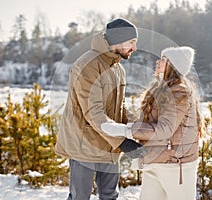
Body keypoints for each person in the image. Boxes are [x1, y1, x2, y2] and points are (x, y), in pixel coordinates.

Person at [55, 18, 146, 200]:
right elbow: (93, 111)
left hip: (109, 146)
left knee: (110, 195)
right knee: (80, 196)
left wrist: (138, 127)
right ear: (117, 42)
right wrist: (122, 142)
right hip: (84, 145)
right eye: (131, 42)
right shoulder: (87, 65)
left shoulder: (118, 68)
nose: (134, 48)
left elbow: (119, 106)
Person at [101, 46, 204, 200]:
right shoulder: (160, 89)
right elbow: (149, 123)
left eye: (163, 60)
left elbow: (165, 129)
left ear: (172, 65)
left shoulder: (179, 92)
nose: (157, 62)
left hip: (176, 165)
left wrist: (126, 130)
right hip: (155, 161)